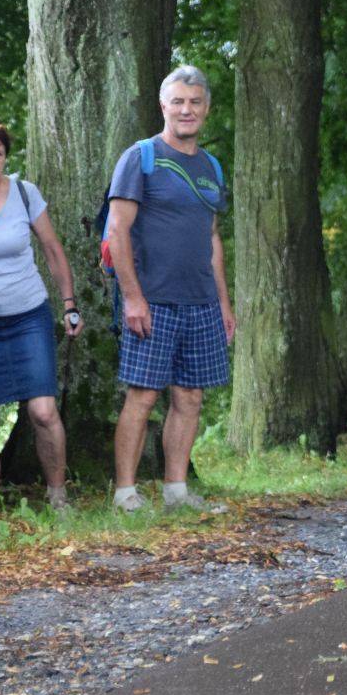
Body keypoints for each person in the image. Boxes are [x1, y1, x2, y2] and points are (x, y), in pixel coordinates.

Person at [105, 66, 234, 514]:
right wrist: (132, 297)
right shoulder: (140, 157)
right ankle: (125, 494)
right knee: (142, 396)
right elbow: (118, 230)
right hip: (152, 301)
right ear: (164, 106)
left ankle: (176, 492)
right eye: (178, 101)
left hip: (201, 303)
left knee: (190, 397)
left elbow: (211, 237)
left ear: (206, 108)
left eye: (195, 102)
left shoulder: (211, 167)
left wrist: (223, 303)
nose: (186, 110)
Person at [0, 120, 81, 512]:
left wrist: (69, 304)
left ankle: (58, 498)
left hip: (28, 317)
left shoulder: (25, 193)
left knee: (43, 412)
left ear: (5, 157)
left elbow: (53, 250)